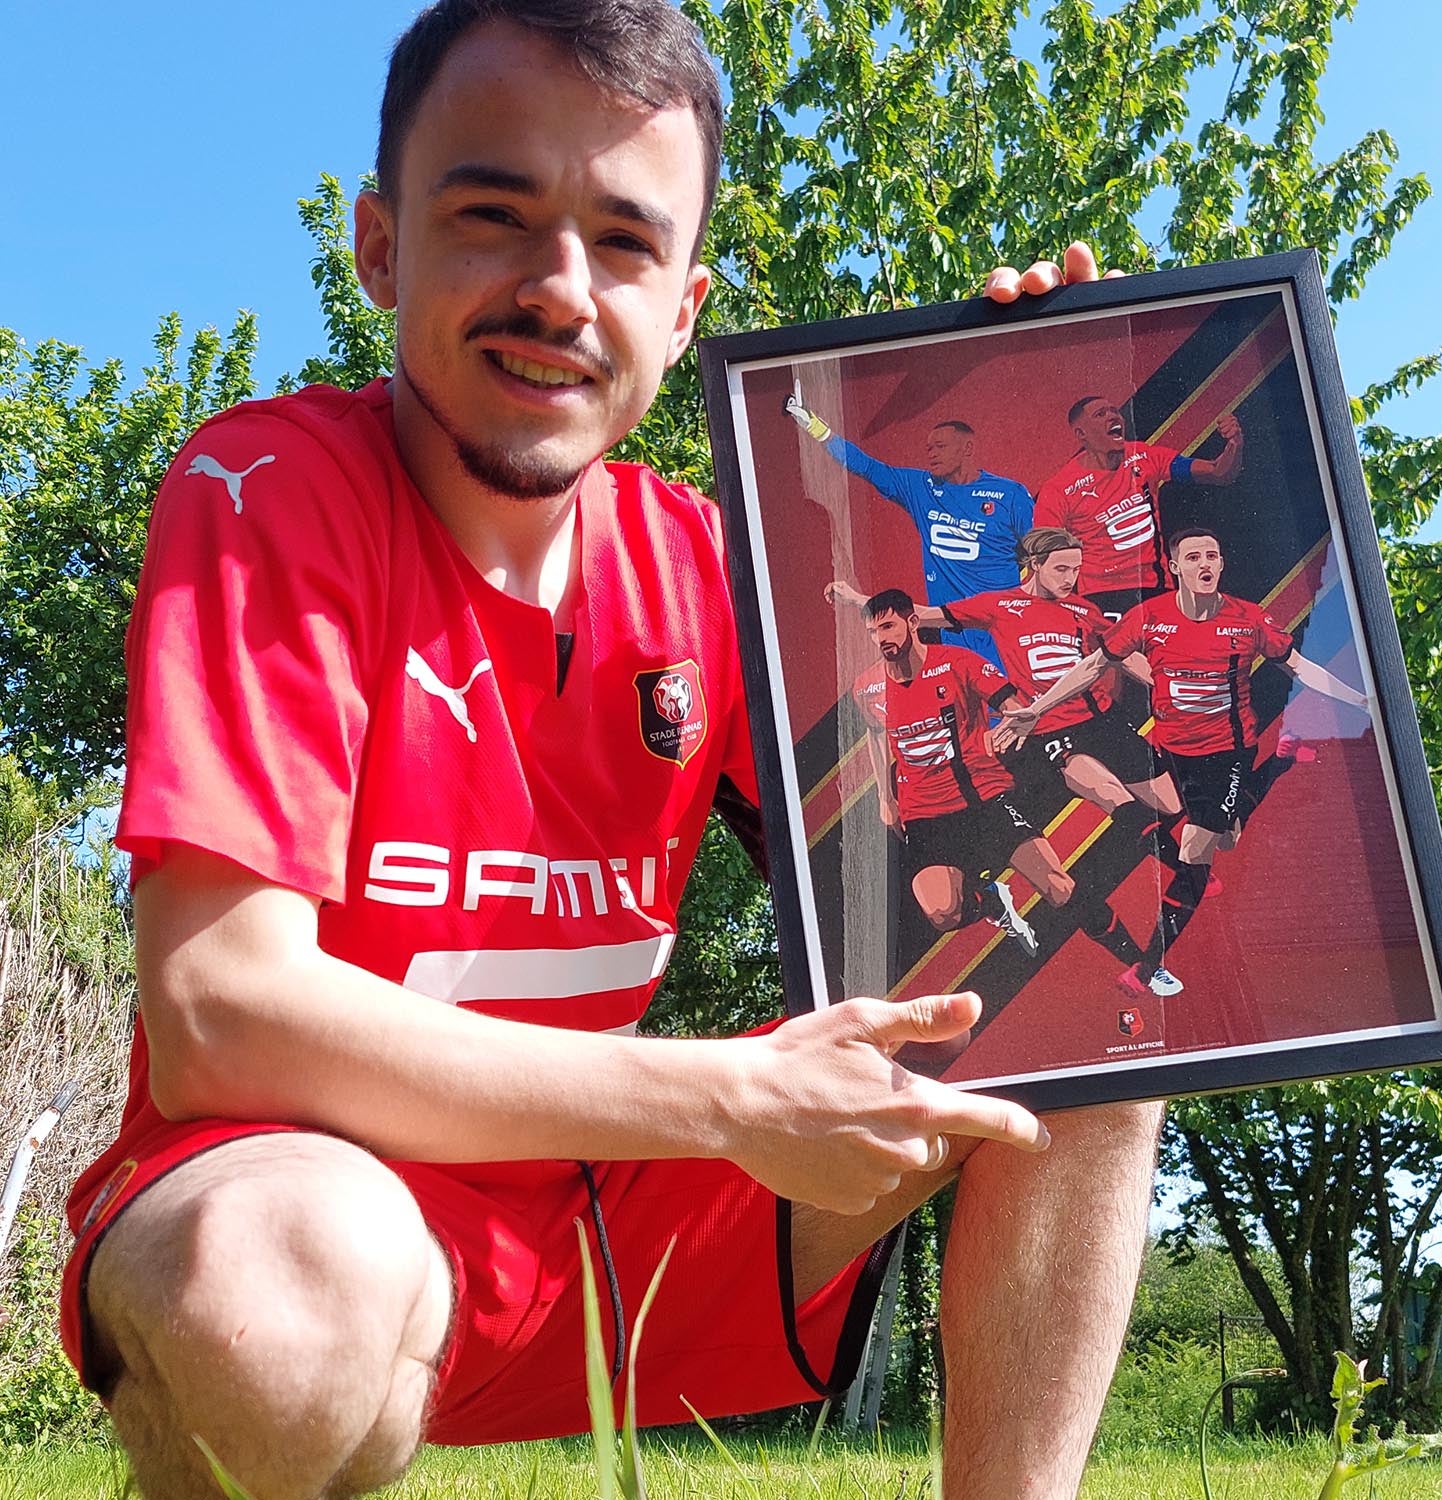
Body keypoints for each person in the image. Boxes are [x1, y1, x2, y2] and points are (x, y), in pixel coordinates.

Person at [59, 5, 1161, 1498]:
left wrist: (1027, 433)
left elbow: (968, 795)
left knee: (1084, 1027)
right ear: (380, 249)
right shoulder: (268, 484)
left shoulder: (717, 565)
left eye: (625, 243)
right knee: (284, 1285)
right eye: (494, 215)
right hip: (308, 1198)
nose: (561, 290)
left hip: (615, 1222)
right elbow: (219, 1013)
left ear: (688, 305)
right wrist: (733, 1095)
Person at [1001, 529, 1368, 997]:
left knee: (1198, 850)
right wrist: (1039, 707)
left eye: (1212, 555)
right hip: (1176, 751)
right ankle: (1282, 760)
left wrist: (1360, 697)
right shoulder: (1148, 617)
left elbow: (1298, 665)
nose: (1204, 563)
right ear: (1175, 568)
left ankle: (1147, 967)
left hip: (1230, 751)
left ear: (1221, 563)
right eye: (1193, 557)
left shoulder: (1247, 618)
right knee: (1225, 840)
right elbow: (1093, 665)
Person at [834, 562, 1177, 994]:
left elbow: (1017, 704)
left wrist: (1012, 726)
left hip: (986, 799)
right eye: (873, 632)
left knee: (1058, 887)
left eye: (888, 627)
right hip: (926, 814)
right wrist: (887, 798)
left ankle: (1143, 966)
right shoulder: (867, 688)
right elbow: (877, 735)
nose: (881, 639)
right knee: (942, 914)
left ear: (913, 623)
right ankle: (990, 900)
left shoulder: (959, 663)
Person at [784, 387, 1033, 668]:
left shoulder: (1010, 494)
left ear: (967, 449)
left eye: (941, 447)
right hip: (947, 625)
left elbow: (1038, 553)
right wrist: (816, 428)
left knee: (1015, 705)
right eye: (929, 448)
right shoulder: (919, 488)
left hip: (999, 626)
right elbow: (865, 466)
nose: (932, 454)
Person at [1033, 394, 1244, 620]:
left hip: (1156, 588)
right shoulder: (1058, 489)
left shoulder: (1145, 455)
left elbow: (1218, 473)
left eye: (1114, 411)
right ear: (1081, 434)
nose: (1113, 416)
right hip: (1101, 597)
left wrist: (1235, 443)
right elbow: (1043, 557)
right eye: (1100, 414)